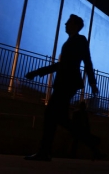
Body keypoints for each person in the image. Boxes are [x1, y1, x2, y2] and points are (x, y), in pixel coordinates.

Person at [24, 14, 104, 161]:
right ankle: (90, 140)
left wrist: (92, 83)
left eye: (68, 23)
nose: (65, 25)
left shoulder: (79, 40)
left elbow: (86, 61)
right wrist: (37, 72)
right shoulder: (71, 41)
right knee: (59, 119)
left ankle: (44, 152)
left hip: (68, 83)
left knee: (51, 115)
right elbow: (64, 64)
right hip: (65, 83)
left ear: (74, 25)